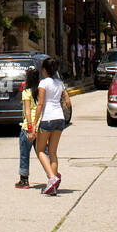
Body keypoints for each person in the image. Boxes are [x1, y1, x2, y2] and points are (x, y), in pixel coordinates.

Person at [31, 57, 71, 195]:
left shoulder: (43, 83)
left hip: (47, 118)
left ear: (44, 70)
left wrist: (34, 122)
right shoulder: (60, 83)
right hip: (59, 118)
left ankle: (51, 177)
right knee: (53, 152)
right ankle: (52, 185)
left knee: (40, 150)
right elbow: (67, 101)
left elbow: (40, 104)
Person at [16, 66, 40, 188]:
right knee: (43, 153)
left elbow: (27, 112)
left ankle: (24, 179)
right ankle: (51, 175)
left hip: (28, 127)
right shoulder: (41, 91)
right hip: (40, 125)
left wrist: (30, 128)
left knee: (24, 153)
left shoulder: (26, 92)